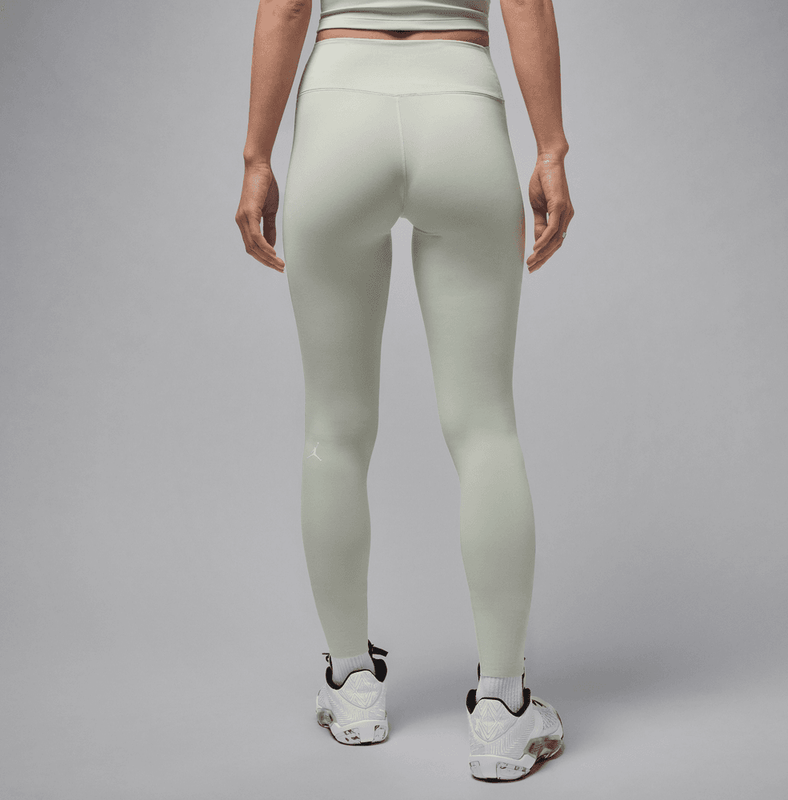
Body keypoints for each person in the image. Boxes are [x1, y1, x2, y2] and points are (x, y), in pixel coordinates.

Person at [235, 0, 574, 781]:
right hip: (461, 104)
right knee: (485, 426)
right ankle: (504, 709)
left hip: (339, 109)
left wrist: (257, 157)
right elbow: (524, 2)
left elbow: (288, 5)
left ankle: (352, 685)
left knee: (333, 428)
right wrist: (551, 147)